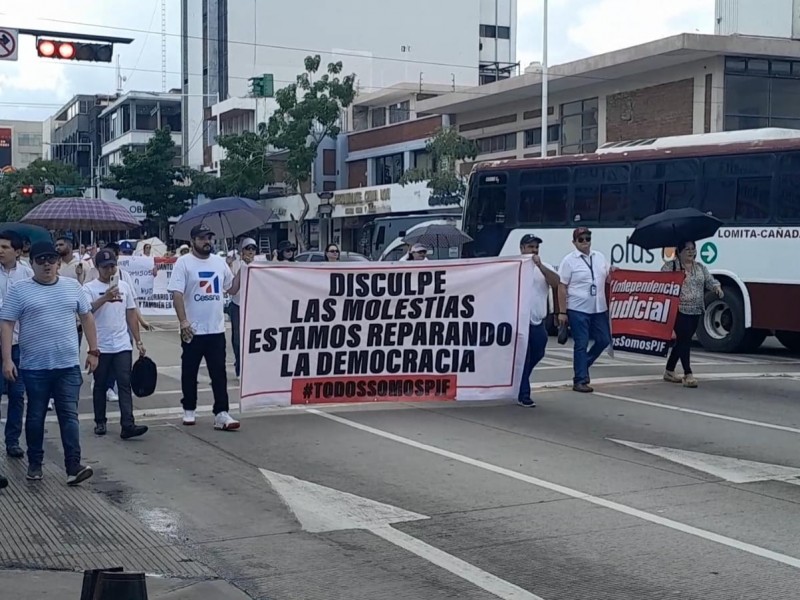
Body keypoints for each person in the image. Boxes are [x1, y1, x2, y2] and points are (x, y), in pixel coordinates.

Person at [0, 241, 99, 485]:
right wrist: (7, 360)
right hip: (33, 367)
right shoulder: (20, 290)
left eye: (51, 260)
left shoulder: (72, 286)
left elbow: (86, 316)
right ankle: (35, 463)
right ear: (31, 263)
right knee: (35, 416)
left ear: (57, 262)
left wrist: (94, 350)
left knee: (69, 416)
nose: (47, 264)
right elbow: (7, 323)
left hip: (67, 366)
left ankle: (73, 465)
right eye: (40, 260)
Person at [168, 224, 242, 430]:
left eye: (209, 238)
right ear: (193, 241)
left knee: (219, 372)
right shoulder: (183, 263)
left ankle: (221, 412)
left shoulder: (219, 263)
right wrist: (183, 321)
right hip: (193, 329)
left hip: (216, 328)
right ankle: (189, 408)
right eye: (202, 238)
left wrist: (243, 270)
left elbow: (231, 288)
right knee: (189, 370)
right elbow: (177, 293)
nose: (206, 241)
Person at [84, 249, 149, 438]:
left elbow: (130, 314)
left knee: (124, 383)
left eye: (113, 266)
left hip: (121, 343)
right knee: (100, 383)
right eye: (105, 267)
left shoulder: (124, 286)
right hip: (100, 344)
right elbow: (86, 310)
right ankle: (100, 421)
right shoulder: (89, 288)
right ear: (97, 268)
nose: (110, 270)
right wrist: (105, 297)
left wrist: (138, 340)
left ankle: (128, 423)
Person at [557, 227, 613, 394]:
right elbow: (562, 286)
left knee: (604, 339)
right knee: (581, 343)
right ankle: (580, 379)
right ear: (574, 242)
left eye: (587, 238)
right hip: (577, 308)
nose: (585, 242)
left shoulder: (599, 257)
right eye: (581, 239)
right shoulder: (569, 261)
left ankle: (583, 364)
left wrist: (614, 272)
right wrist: (562, 312)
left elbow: (608, 276)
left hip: (598, 307)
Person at [662, 240, 723, 388]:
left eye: (692, 249)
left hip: (696, 309)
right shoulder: (671, 267)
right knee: (685, 340)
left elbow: (710, 281)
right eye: (687, 249)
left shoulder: (700, 267)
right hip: (679, 309)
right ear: (679, 251)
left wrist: (717, 287)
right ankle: (688, 373)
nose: (691, 252)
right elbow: (662, 283)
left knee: (684, 340)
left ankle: (669, 370)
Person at [0, 230, 33, 458]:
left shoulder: (28, 274)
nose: (0, 251)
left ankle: (12, 441)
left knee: (17, 395)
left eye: (5, 248)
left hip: (20, 343)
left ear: (18, 252)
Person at [517, 234, 560, 407]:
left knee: (538, 352)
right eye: (530, 247)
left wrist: (540, 266)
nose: (534, 250)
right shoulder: (514, 266)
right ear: (522, 248)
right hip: (521, 320)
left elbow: (556, 282)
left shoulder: (544, 267)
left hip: (537, 320)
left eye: (536, 247)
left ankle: (520, 379)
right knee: (524, 357)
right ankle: (524, 394)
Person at [228, 237, 257, 377]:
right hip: (237, 305)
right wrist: (240, 268)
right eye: (248, 248)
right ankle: (239, 366)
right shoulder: (235, 264)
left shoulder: (259, 264)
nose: (250, 251)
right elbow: (231, 288)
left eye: (253, 248)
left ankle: (250, 367)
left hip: (253, 305)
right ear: (242, 250)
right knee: (237, 339)